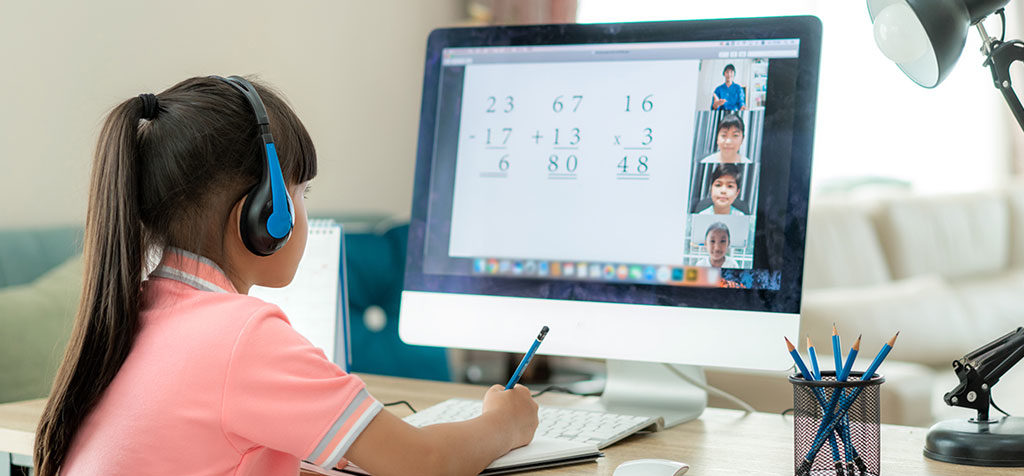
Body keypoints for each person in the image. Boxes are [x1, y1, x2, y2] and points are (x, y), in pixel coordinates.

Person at [33, 76, 538, 476]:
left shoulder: (136, 312)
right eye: (301, 192)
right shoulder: (242, 337)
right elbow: (425, 465)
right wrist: (503, 422)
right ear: (264, 214)